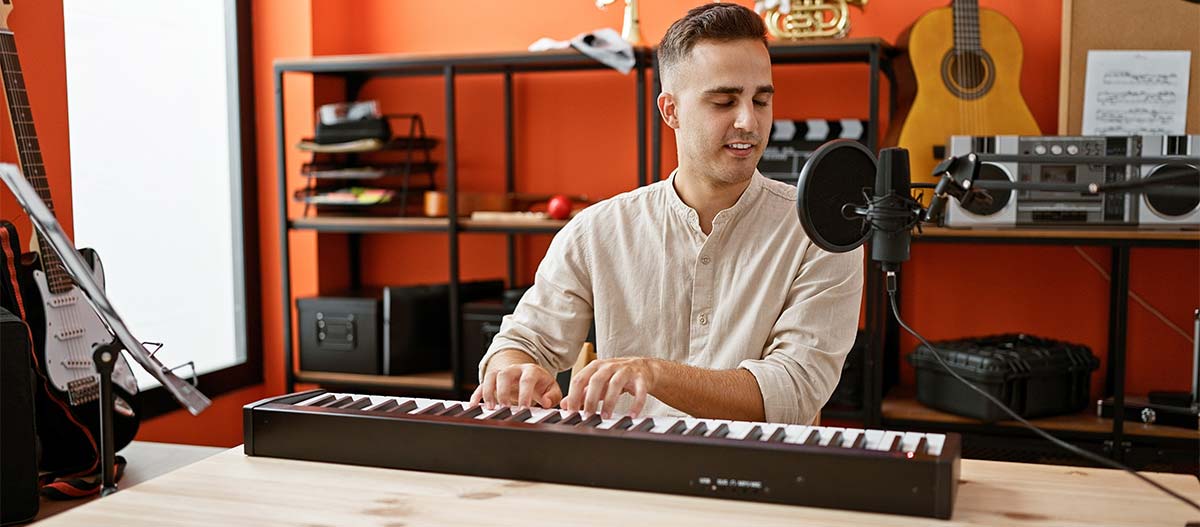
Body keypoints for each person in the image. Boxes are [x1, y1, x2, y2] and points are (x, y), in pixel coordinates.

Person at [469, 2, 863, 425]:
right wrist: (514, 372)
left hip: (760, 477)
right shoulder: (596, 231)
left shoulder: (821, 232)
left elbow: (794, 391)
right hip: (625, 477)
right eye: (724, 101)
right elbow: (521, 342)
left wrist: (653, 373)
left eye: (761, 100)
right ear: (670, 111)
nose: (749, 121)